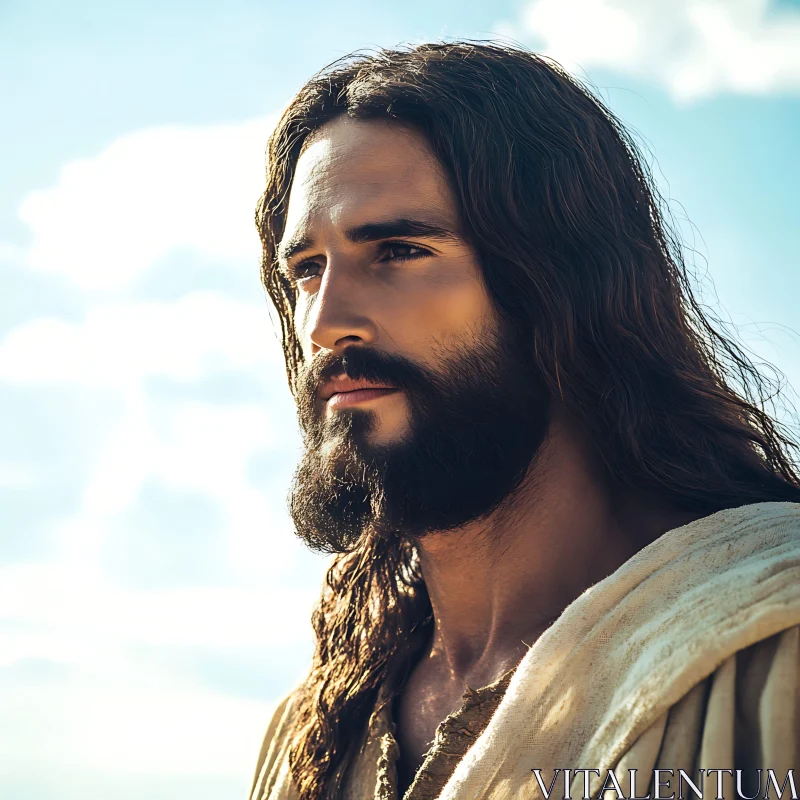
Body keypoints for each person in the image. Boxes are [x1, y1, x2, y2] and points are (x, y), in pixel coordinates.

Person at [248, 42, 800, 800]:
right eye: (306, 269)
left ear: (558, 287)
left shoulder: (769, 648)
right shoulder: (312, 734)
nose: (325, 321)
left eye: (400, 250)